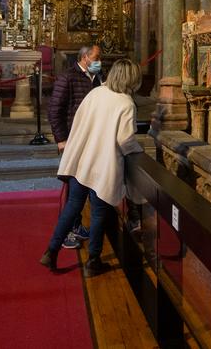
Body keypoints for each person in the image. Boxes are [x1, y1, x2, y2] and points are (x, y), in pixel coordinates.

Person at [41, 58, 143, 276]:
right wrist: (138, 151)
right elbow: (125, 140)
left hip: (82, 160)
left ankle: (51, 251)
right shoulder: (126, 103)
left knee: (72, 207)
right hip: (102, 164)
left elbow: (78, 122)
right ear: (132, 79)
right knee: (98, 214)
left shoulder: (96, 93)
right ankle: (93, 262)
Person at [47, 45, 102, 249]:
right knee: (73, 188)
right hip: (73, 139)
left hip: (91, 139)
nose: (99, 61)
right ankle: (68, 232)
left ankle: (76, 226)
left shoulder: (97, 77)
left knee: (81, 186)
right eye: (96, 57)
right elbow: (54, 110)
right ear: (85, 57)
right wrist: (61, 139)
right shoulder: (68, 77)